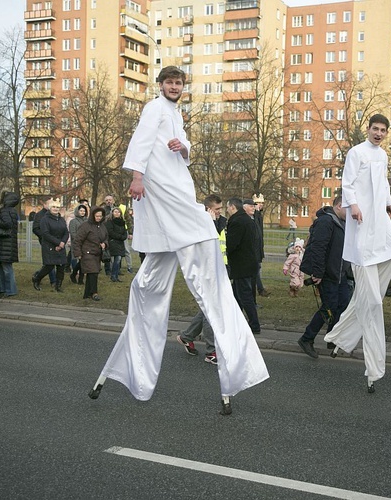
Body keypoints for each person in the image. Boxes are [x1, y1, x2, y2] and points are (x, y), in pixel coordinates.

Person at [90, 66, 268, 415]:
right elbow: (140, 142)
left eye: (178, 83)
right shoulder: (154, 108)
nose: (174, 87)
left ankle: (136, 369)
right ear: (161, 86)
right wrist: (137, 177)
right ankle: (140, 368)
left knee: (147, 285)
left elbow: (184, 150)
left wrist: (182, 146)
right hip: (165, 195)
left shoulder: (175, 113)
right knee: (202, 249)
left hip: (178, 191)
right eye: (170, 83)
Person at [324, 114, 391, 393]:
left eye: (383, 130)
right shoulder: (356, 152)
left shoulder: (382, 155)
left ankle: (338, 336)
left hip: (378, 226)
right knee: (371, 303)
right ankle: (373, 367)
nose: (379, 134)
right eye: (375, 129)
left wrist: (390, 206)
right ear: (368, 129)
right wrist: (353, 205)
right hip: (361, 228)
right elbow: (348, 183)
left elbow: (382, 186)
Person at [297, 195, 352, 359]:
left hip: (340, 272)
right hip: (327, 273)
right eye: (349, 209)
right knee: (329, 306)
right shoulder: (326, 221)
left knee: (343, 304)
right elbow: (318, 248)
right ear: (339, 206)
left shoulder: (342, 222)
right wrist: (318, 273)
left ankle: (332, 337)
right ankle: (307, 338)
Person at [175, 194, 226, 365]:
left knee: (207, 309)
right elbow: (204, 245)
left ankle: (186, 336)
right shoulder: (198, 223)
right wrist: (210, 223)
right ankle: (211, 351)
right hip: (202, 272)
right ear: (208, 209)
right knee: (210, 310)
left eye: (221, 208)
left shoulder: (217, 220)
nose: (220, 212)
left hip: (214, 270)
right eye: (217, 209)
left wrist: (214, 221)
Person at [226, 197, 261, 335]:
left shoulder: (237, 221)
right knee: (236, 295)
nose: (227, 210)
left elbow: (232, 244)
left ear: (233, 207)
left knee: (245, 296)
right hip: (247, 263)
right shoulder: (246, 220)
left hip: (242, 265)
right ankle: (236, 321)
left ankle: (254, 325)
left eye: (228, 207)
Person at [31, 199, 69, 293]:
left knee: (61, 266)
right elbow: (45, 234)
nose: (56, 209)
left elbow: (66, 232)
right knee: (49, 266)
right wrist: (57, 243)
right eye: (54, 207)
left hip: (61, 245)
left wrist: (62, 243)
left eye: (57, 207)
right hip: (49, 245)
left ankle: (58, 286)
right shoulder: (45, 219)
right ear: (50, 208)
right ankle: (37, 278)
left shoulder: (61, 219)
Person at [73, 207, 108, 301]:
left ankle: (87, 294)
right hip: (87, 253)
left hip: (97, 253)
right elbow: (77, 240)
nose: (98, 218)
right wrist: (78, 253)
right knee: (93, 272)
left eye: (100, 216)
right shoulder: (86, 226)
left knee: (92, 273)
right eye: (97, 216)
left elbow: (106, 237)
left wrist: (105, 244)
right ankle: (94, 292)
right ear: (93, 215)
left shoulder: (102, 226)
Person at [0, 191, 20, 298]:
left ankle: (8, 290)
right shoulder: (12, 211)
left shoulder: (5, 211)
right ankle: (3, 289)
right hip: (7, 244)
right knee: (2, 267)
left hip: (4, 244)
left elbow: (7, 224)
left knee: (5, 268)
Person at [32, 197, 56, 287]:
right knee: (49, 261)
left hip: (55, 241)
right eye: (50, 204)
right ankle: (53, 280)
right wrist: (44, 236)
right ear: (44, 204)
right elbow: (35, 228)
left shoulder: (54, 214)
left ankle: (38, 275)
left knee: (53, 261)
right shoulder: (39, 215)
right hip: (45, 241)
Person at [250, 195, 270, 297]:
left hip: (258, 248)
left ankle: (260, 288)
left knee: (257, 269)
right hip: (254, 249)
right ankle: (260, 289)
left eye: (262, 203)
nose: (261, 205)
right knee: (256, 269)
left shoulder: (259, 215)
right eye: (258, 203)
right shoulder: (254, 216)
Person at [104, 207, 127, 282]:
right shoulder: (109, 222)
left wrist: (123, 237)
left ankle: (115, 275)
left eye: (118, 212)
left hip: (120, 243)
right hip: (113, 241)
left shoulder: (122, 222)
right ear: (112, 213)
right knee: (117, 259)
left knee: (119, 259)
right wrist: (120, 236)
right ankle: (113, 275)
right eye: (115, 212)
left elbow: (124, 232)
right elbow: (110, 232)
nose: (117, 213)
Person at [68, 205, 89, 284]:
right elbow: (73, 233)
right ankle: (75, 275)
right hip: (77, 244)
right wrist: (81, 239)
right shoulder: (73, 221)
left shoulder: (87, 221)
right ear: (77, 211)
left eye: (84, 211)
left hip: (86, 244)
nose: (82, 212)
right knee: (80, 261)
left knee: (83, 262)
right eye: (81, 211)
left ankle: (80, 278)